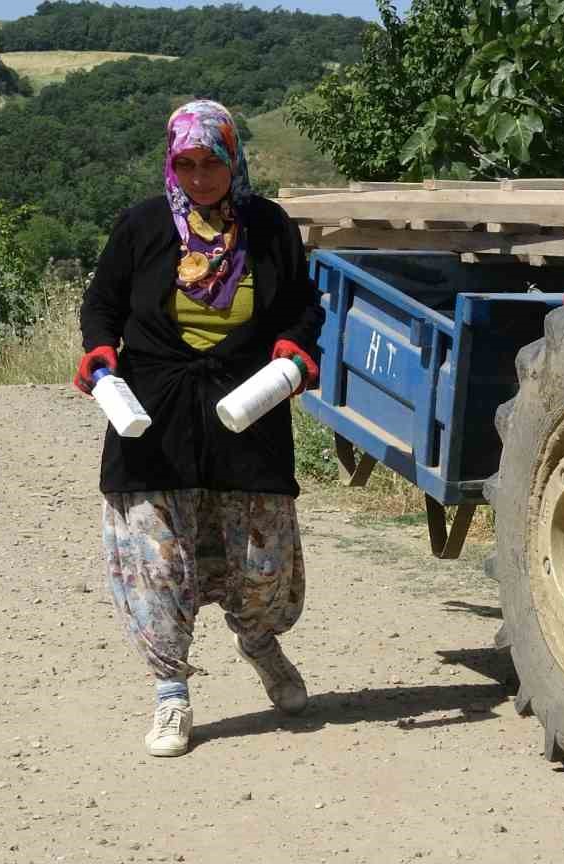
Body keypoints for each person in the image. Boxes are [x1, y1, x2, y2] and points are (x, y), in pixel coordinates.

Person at [73, 99, 324, 758]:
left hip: (247, 410)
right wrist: (100, 354)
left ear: (232, 158)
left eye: (211, 161)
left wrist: (294, 351)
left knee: (260, 565)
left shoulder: (267, 227)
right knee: (154, 559)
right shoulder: (142, 226)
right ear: (172, 161)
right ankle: (170, 693)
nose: (200, 175)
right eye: (187, 162)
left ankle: (260, 641)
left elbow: (302, 306)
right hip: (153, 415)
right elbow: (101, 303)